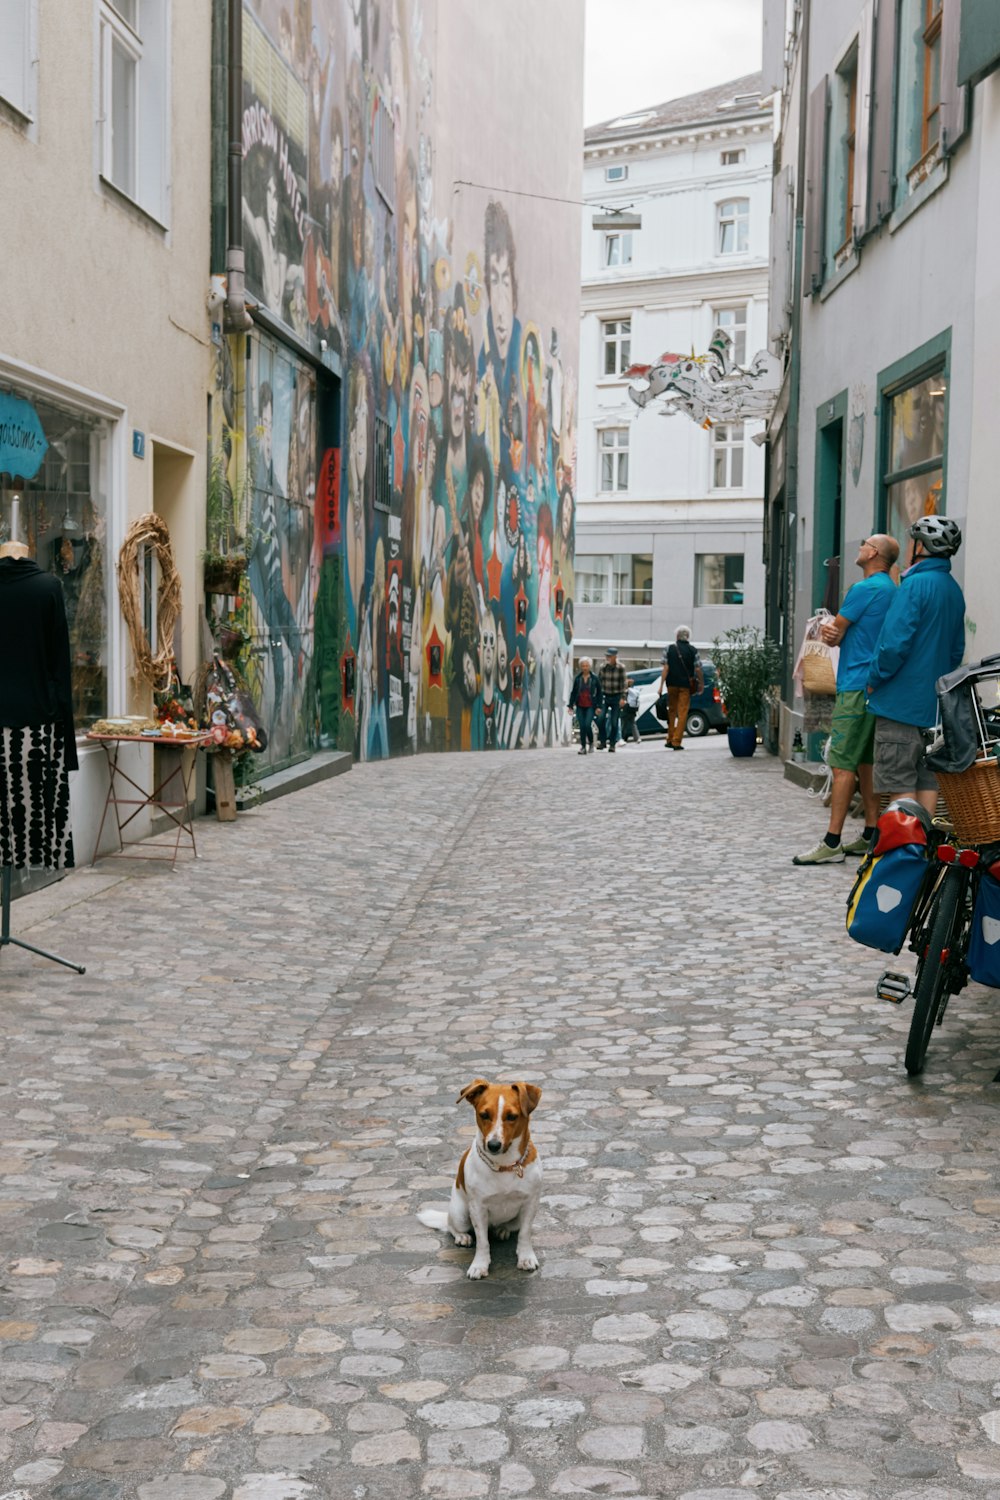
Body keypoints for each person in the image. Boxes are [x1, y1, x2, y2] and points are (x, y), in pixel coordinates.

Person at [793, 533, 899, 864]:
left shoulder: (864, 589)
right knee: (866, 763)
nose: (860, 547)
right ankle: (871, 833)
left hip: (854, 684)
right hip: (877, 686)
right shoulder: (892, 591)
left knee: (841, 765)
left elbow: (834, 632)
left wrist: (833, 631)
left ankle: (832, 841)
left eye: (865, 544)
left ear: (875, 553)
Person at [866, 514, 966, 814]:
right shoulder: (953, 590)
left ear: (921, 546)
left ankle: (902, 857)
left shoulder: (914, 585)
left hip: (900, 704)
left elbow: (894, 644)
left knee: (899, 785)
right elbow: (956, 651)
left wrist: (875, 677)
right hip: (935, 709)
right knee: (927, 782)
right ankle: (923, 853)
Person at [658, 627, 704, 750]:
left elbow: (666, 668)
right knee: (682, 712)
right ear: (688, 637)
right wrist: (701, 683)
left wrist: (661, 685)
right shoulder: (693, 650)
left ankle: (669, 738)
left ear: (677, 636)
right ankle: (676, 741)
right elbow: (698, 669)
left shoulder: (669, 648)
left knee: (671, 711)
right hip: (685, 686)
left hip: (671, 684)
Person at [569, 656, 603, 754]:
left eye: (587, 666)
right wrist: (570, 705)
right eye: (583, 666)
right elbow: (574, 692)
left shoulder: (594, 678)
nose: (585, 668)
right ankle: (583, 746)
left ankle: (591, 743)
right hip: (580, 705)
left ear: (590, 666)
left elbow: (599, 693)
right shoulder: (578, 678)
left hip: (590, 705)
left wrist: (599, 707)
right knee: (582, 726)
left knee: (588, 724)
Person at [597, 646, 626, 752]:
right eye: (607, 656)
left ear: (615, 657)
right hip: (605, 695)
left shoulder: (621, 667)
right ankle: (603, 741)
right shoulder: (603, 667)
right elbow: (599, 683)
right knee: (600, 719)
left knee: (614, 722)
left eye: (610, 656)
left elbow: (624, 684)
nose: (608, 658)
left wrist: (623, 698)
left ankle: (612, 744)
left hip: (616, 696)